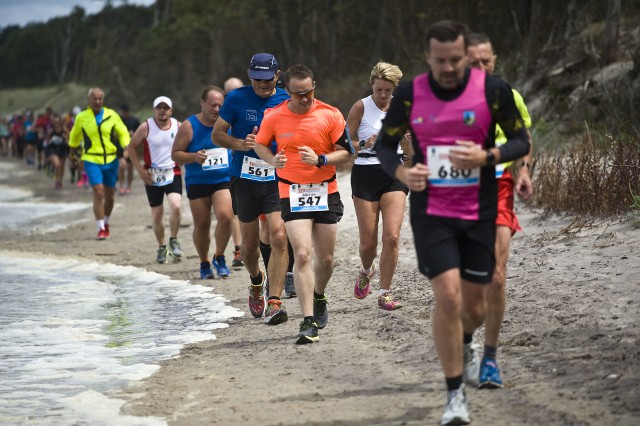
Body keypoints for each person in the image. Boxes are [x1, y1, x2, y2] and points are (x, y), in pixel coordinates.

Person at [375, 20, 530, 425]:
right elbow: (386, 146)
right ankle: (454, 395)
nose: (448, 67)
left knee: (474, 308)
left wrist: (486, 158)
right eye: (440, 60)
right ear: (428, 57)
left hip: (478, 211)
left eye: (455, 60)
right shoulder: (409, 94)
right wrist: (403, 174)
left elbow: (520, 141)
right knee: (447, 297)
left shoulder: (493, 91)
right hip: (432, 212)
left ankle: (467, 341)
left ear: (466, 55)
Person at [254, 64, 354, 343]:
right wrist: (272, 160)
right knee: (302, 255)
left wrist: (322, 159)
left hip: (325, 190)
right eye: (298, 94)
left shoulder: (330, 113)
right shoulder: (274, 116)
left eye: (308, 92)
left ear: (314, 87)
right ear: (287, 91)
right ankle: (308, 321)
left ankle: (319, 294)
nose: (304, 98)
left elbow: (346, 153)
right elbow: (260, 144)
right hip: (291, 192)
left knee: (326, 259)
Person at [466, 32, 534, 389]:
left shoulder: (509, 96)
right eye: (472, 62)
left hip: (499, 188)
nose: (480, 69)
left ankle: (490, 358)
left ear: (495, 60)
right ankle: (465, 342)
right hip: (456, 195)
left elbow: (524, 138)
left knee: (496, 276)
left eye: (485, 62)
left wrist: (523, 170)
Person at [212, 53, 292, 324]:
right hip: (243, 178)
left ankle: (275, 300)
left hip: (275, 177)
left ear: (276, 76)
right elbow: (217, 134)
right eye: (257, 80)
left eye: (267, 80)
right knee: (248, 247)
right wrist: (240, 144)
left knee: (279, 235)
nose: (262, 85)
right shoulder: (236, 99)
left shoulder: (285, 99)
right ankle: (257, 281)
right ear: (250, 76)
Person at [346, 61, 408, 311]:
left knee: (392, 237)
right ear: (372, 85)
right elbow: (345, 143)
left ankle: (385, 293)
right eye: (379, 89)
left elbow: (413, 149)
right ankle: (365, 269)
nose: (383, 95)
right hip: (365, 174)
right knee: (368, 244)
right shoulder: (361, 106)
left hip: (394, 173)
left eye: (388, 90)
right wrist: (364, 142)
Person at [171, 86, 233, 279]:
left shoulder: (227, 123)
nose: (216, 109)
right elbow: (175, 154)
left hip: (222, 179)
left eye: (220, 106)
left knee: (226, 217)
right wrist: (193, 157)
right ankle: (204, 261)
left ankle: (220, 256)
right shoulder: (189, 125)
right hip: (197, 180)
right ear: (202, 103)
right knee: (202, 224)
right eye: (213, 105)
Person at [128, 96, 184, 264]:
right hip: (152, 174)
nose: (162, 110)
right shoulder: (146, 126)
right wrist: (140, 171)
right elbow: (131, 148)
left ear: (171, 111)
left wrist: (184, 157)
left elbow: (188, 142)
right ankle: (161, 246)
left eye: (165, 107)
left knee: (176, 206)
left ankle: (173, 239)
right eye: (159, 107)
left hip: (173, 172)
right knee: (157, 213)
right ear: (154, 110)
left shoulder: (178, 125)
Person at [69, 87, 131, 240]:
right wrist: (72, 155)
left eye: (100, 99)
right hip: (91, 159)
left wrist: (126, 147)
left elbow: (123, 132)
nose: (97, 101)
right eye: (94, 98)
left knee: (110, 197)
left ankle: (106, 222)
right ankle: (100, 228)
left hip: (111, 159)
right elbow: (74, 137)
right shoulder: (82, 117)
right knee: (98, 191)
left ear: (103, 100)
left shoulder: (111, 115)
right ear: (88, 100)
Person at [222, 76, 246, 270]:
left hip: (255, 170)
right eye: (229, 93)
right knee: (234, 212)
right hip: (231, 173)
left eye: (236, 91)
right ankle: (239, 250)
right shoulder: (222, 116)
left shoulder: (250, 110)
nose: (233, 95)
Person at [118, 104, 140, 195]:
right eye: (123, 112)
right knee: (122, 166)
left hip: (132, 146)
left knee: (130, 168)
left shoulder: (134, 120)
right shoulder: (118, 120)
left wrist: (133, 133)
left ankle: (129, 186)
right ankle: (121, 186)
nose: (124, 113)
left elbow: (140, 133)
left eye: (126, 112)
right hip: (120, 147)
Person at [44, 114, 70, 189]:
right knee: (57, 164)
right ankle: (57, 180)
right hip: (54, 148)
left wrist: (66, 138)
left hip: (63, 148)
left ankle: (59, 181)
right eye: (55, 121)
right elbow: (47, 140)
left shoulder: (64, 129)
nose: (56, 123)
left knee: (62, 166)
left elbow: (69, 139)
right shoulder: (52, 130)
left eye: (58, 121)